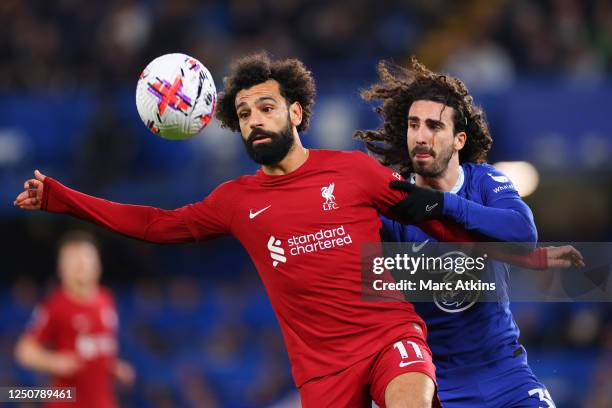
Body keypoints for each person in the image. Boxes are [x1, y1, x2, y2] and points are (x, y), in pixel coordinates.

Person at [13, 53, 572, 408]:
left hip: (393, 344)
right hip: (321, 372)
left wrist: (524, 257)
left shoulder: (355, 173)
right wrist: (63, 198)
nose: (256, 119)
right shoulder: (234, 201)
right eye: (245, 113)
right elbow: (156, 224)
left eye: (267, 107)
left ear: (297, 113)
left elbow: (438, 223)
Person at [355, 57, 583, 407]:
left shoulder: (485, 181)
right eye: (414, 125)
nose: (420, 136)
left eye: (433, 126)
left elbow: (523, 233)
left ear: (459, 139)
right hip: (436, 386)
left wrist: (441, 205)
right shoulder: (393, 203)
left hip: (506, 375)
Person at [14, 231, 135, 408]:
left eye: (86, 259)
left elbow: (100, 349)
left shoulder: (106, 299)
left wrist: (114, 367)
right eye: (73, 261)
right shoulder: (55, 305)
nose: (81, 265)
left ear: (97, 265)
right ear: (61, 269)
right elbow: (24, 351)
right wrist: (54, 362)